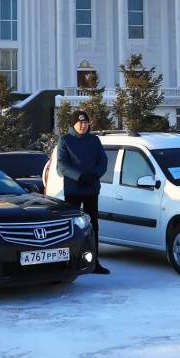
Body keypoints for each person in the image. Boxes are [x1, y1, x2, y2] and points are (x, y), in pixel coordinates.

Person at [56, 110, 110, 274]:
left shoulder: (94, 140)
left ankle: (94, 261)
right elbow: (62, 166)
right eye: (80, 123)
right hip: (73, 191)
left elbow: (103, 161)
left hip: (91, 189)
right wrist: (79, 177)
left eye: (86, 123)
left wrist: (94, 174)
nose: (83, 126)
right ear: (73, 124)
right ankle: (68, 261)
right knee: (71, 226)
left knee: (92, 226)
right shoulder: (65, 140)